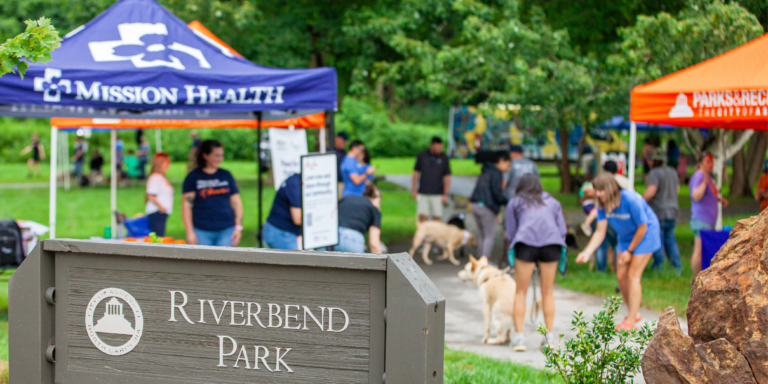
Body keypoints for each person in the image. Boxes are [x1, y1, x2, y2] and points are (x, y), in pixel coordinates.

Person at [576, 173, 661, 331]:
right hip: (626, 237)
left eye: (602, 190)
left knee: (633, 276)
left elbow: (643, 227)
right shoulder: (601, 205)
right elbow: (600, 232)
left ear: (610, 188)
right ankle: (634, 314)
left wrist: (630, 251)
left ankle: (630, 321)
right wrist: (587, 252)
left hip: (645, 234)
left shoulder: (631, 200)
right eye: (597, 191)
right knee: (621, 276)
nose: (599, 194)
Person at [506, 174, 566, 351]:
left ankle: (518, 339)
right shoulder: (553, 202)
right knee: (547, 292)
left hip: (525, 244)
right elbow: (562, 229)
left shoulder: (515, 202)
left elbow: (511, 232)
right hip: (551, 245)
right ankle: (549, 338)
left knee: (520, 292)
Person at [182, 140, 243, 247]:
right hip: (201, 230)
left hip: (226, 229)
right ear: (205, 156)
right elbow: (186, 205)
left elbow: (236, 202)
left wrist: (238, 226)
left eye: (222, 155)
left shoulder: (226, 175)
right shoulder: (193, 177)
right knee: (203, 262)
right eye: (217, 155)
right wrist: (189, 231)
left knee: (224, 262)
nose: (220, 159)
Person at [643, 148, 682, 274]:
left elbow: (651, 191)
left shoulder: (654, 173)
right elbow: (677, 190)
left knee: (657, 239)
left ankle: (658, 267)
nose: (648, 162)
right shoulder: (672, 171)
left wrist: (640, 200)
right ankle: (676, 267)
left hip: (659, 212)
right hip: (673, 211)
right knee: (670, 239)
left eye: (650, 159)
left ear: (654, 160)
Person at [689, 152, 728, 277]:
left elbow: (710, 195)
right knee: (699, 250)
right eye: (707, 161)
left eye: (711, 161)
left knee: (703, 250)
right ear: (700, 163)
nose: (711, 164)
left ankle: (701, 277)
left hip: (708, 220)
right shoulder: (699, 176)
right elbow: (696, 196)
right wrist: (704, 183)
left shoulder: (708, 177)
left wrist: (718, 200)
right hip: (701, 219)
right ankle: (695, 279)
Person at [469, 151, 511, 259]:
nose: (508, 168)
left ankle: (480, 262)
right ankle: (484, 262)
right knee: (489, 235)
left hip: (475, 204)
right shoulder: (496, 172)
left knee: (482, 235)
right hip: (486, 206)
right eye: (508, 164)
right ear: (501, 161)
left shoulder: (486, 170)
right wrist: (507, 201)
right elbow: (496, 193)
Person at [412, 137, 452, 222]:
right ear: (432, 146)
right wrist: (414, 189)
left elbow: (447, 176)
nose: (439, 149)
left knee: (437, 216)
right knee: (423, 216)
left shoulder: (444, 158)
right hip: (423, 192)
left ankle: (435, 234)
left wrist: (445, 193)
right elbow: (415, 173)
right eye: (437, 147)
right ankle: (425, 234)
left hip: (438, 193)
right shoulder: (422, 155)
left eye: (441, 147)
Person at [337, 184, 383, 253]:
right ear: (378, 199)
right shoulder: (374, 209)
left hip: (331, 239)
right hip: (352, 240)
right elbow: (374, 243)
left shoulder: (347, 198)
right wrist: (383, 262)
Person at [263, 173, 302, 250]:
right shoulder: (295, 184)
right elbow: (298, 219)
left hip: (290, 231)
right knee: (295, 261)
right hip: (281, 232)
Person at [145, 153, 173, 237]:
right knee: (158, 237)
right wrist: (161, 207)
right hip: (157, 212)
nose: (169, 164)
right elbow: (150, 195)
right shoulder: (155, 177)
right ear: (160, 163)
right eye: (167, 162)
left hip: (161, 213)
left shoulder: (161, 177)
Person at [333, 132, 348, 199]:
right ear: (336, 138)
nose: (344, 142)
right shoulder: (330, 151)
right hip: (334, 182)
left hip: (344, 183)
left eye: (345, 141)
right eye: (342, 140)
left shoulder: (345, 153)